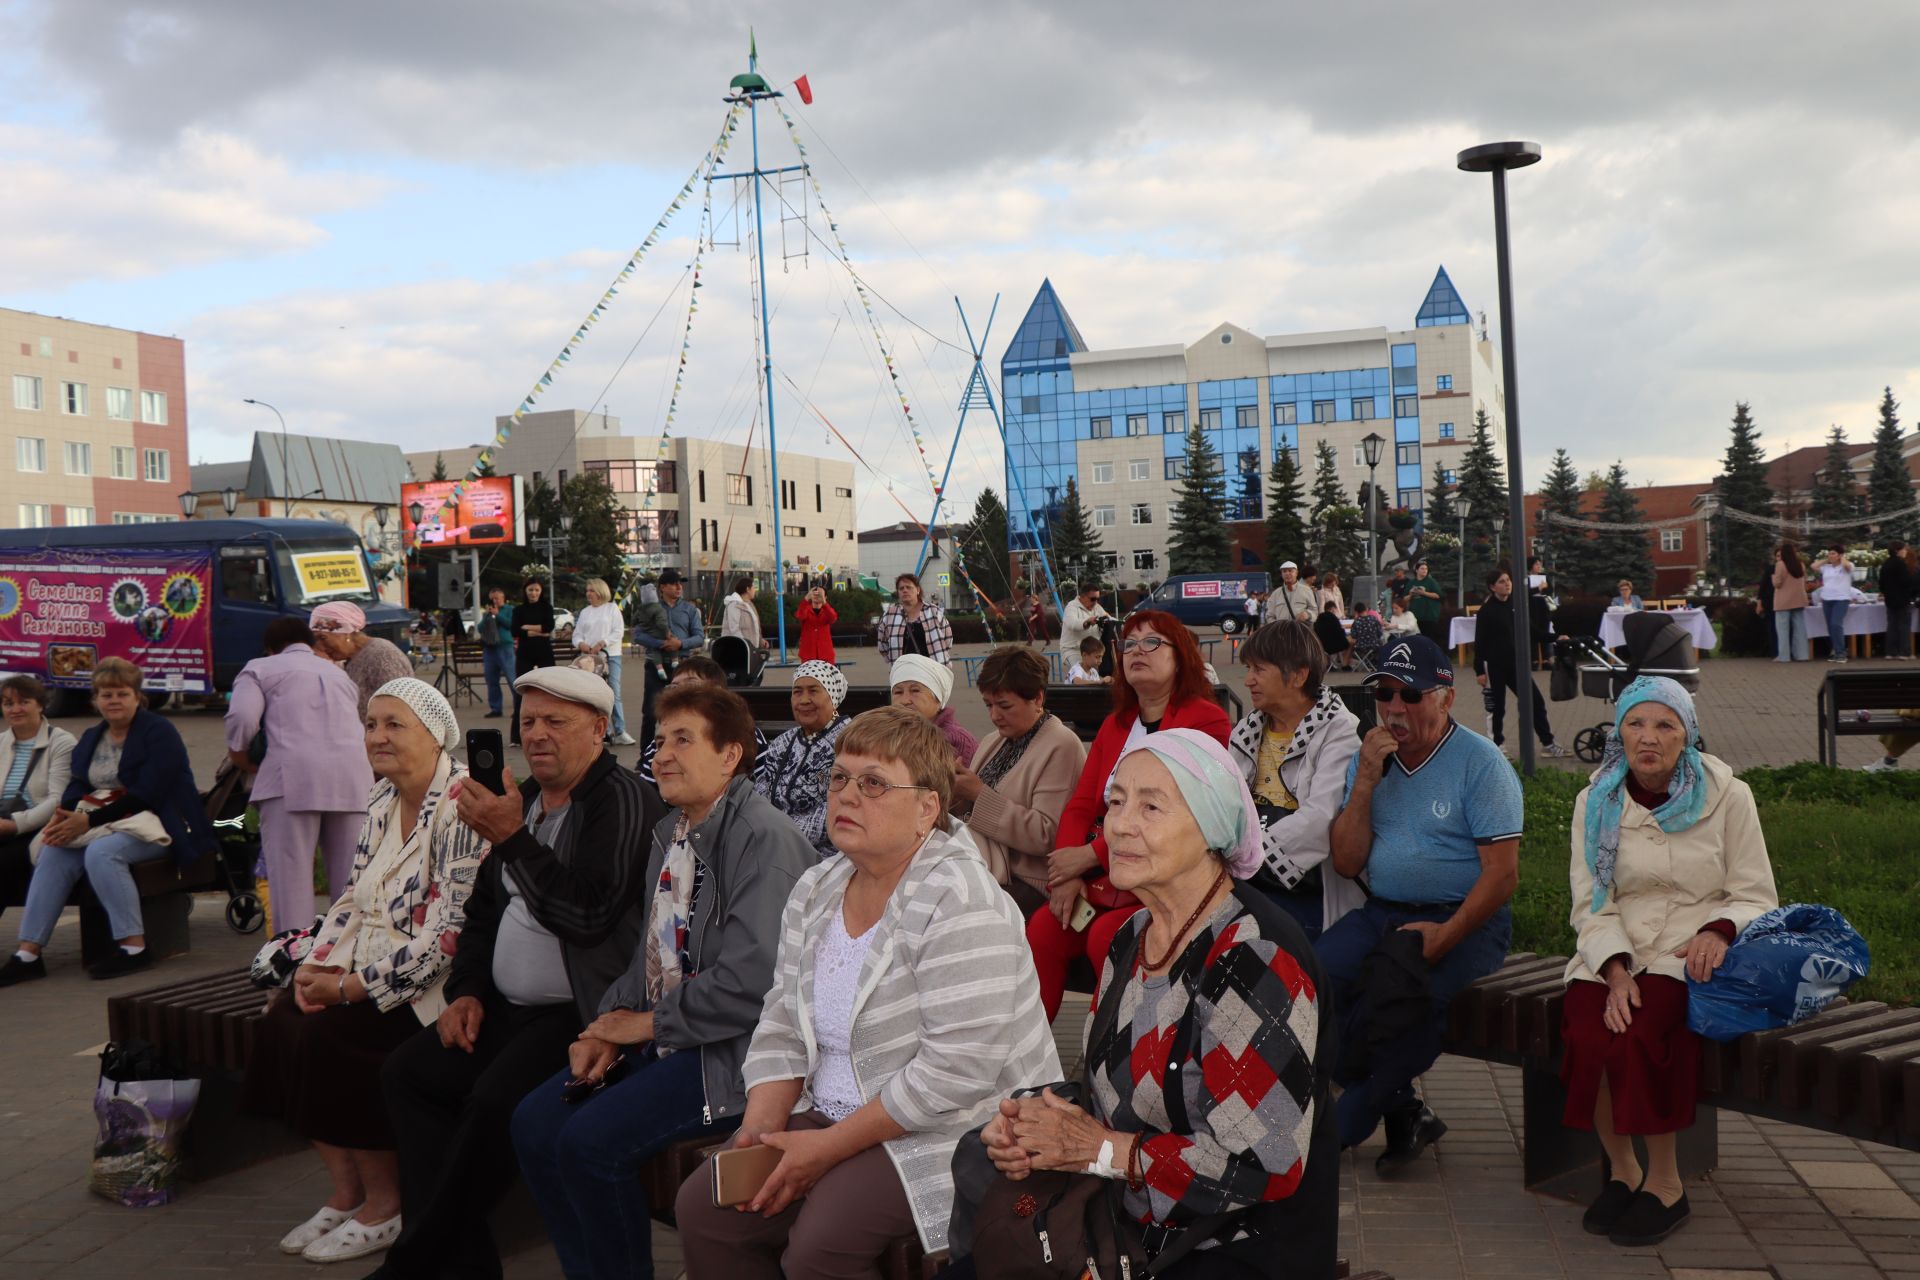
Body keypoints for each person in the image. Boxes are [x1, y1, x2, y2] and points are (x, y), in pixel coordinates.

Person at [673, 707, 1062, 1274]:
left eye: (874, 783)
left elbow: (958, 1072)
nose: (846, 796)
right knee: (707, 1205)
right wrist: (761, 1126)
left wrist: (826, 1149)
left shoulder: (961, 897)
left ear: (928, 808)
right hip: (833, 1109)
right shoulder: (817, 886)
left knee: (820, 1244)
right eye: (839, 778)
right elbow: (782, 1015)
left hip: (960, 1127)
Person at [972, 730, 1338, 1279]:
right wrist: (1035, 1127)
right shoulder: (1133, 935)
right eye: (1116, 801)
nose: (1119, 824)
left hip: (1231, 1248)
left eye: (1151, 806)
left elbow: (1262, 1165)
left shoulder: (1252, 958)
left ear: (1211, 826)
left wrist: (1100, 1151)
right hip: (1131, 1228)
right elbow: (1112, 1087)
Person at [368, 666, 666, 1280]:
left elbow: (587, 917)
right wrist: (467, 990)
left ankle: (416, 1262)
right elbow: (480, 914)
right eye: (527, 721)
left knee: (493, 1103)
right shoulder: (523, 799)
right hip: (503, 1004)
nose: (537, 736)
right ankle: (464, 1262)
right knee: (409, 1073)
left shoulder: (624, 801)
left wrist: (511, 840)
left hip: (581, 1012)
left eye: (556, 722)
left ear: (599, 730)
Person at [512, 683, 815, 1279]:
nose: (663, 755)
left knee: (589, 1144)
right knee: (535, 1122)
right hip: (674, 1036)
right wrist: (605, 1026)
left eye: (684, 739)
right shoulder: (674, 833)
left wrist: (643, 1025)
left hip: (737, 1056)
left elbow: (753, 986)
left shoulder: (763, 839)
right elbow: (648, 957)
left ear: (730, 756)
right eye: (659, 740)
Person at [244, 678, 488, 1264]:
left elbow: (448, 939)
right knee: (282, 1019)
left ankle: (385, 1204)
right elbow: (352, 897)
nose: (377, 737)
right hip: (360, 966)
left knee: (332, 1037)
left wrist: (349, 990)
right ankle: (346, 1190)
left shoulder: (461, 805)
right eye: (371, 724)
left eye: (394, 725)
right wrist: (316, 970)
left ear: (435, 736)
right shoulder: (381, 798)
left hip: (433, 993)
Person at [1561, 677, 1778, 1247]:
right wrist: (1612, 970)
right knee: (1588, 1034)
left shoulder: (1729, 794)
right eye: (1635, 724)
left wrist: (1719, 929)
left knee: (1639, 1035)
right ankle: (1623, 1170)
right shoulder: (1597, 799)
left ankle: (1665, 1184)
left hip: (1689, 949)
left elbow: (1756, 893)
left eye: (1665, 726)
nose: (1648, 738)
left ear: (1687, 735)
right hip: (1614, 944)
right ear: (1619, 732)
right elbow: (1591, 902)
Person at [1321, 635, 1520, 1170]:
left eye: (1411, 694)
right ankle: (1408, 1113)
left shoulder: (1480, 763)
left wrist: (1445, 936)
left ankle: (1342, 1128)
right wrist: (1364, 782)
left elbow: (1502, 877)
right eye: (1384, 693)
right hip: (1383, 911)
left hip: (1466, 915)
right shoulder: (1371, 760)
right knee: (1309, 975)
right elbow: (1345, 861)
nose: (1394, 708)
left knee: (1413, 998)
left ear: (1446, 698)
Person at [1026, 610, 1232, 1021]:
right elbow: (1083, 804)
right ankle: (1030, 1062)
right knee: (1045, 927)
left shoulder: (1205, 720)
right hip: (1106, 876)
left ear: (1181, 657)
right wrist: (1067, 873)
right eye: (1130, 644)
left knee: (1109, 935)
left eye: (1152, 642)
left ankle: (1106, 1058)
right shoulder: (1116, 724)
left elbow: (1183, 814)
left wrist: (1090, 857)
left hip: (1163, 876)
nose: (1137, 651)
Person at [2, 659, 213, 983]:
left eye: (121, 693)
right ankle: (29, 954)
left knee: (103, 852)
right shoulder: (92, 736)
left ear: (136, 697)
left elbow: (149, 793)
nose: (113, 700)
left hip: (160, 824)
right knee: (55, 848)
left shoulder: (159, 731)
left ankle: (133, 948)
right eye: (106, 694)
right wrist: (66, 816)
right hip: (104, 822)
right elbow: (78, 783)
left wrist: (88, 822)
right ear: (95, 700)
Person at [225, 615, 371, 932]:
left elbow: (242, 717)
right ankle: (346, 958)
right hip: (352, 781)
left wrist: (239, 753)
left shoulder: (260, 668)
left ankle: (293, 965)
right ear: (309, 642)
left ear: (270, 648)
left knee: (290, 881)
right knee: (351, 884)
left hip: (290, 781)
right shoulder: (338, 675)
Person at [1226, 620, 1364, 940]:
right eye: (1248, 668)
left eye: (1258, 669)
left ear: (1299, 675)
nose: (1247, 680)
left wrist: (1242, 854)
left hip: (1306, 891)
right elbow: (1221, 803)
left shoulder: (1340, 731)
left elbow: (1320, 818)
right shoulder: (1247, 731)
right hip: (1248, 881)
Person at [951, 646, 1087, 916]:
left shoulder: (1062, 745)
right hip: (982, 866)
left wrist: (978, 794)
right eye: (988, 705)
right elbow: (966, 813)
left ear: (1037, 698)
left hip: (1028, 880)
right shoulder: (993, 740)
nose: (994, 716)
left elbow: (1047, 835)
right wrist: (951, 790)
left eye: (1004, 705)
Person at [0, 676, 75, 957]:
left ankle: (30, 953)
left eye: (24, 702)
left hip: (38, 827)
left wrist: (14, 825)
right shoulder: (1, 742)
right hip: (3, 823)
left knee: (4, 863)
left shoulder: (62, 742)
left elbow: (58, 798)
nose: (15, 709)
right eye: (8, 703)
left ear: (40, 705)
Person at [755, 661, 853, 858]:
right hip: (772, 844)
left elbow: (837, 808)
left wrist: (781, 836)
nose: (804, 700)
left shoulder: (850, 743)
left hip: (826, 854)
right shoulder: (782, 743)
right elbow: (761, 794)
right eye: (797, 692)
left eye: (813, 691)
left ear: (832, 697)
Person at [1474, 568, 1571, 757]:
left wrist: (1556, 637)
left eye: (1508, 580)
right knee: (1497, 707)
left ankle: (1548, 743)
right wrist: (1479, 670)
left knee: (1535, 701)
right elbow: (1480, 642)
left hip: (1517, 665)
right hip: (1495, 666)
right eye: (1502, 582)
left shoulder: (1516, 605)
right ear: (1492, 587)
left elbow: (1533, 631)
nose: (1507, 584)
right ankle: (1497, 745)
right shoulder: (1487, 611)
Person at [637, 656, 771, 787]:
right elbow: (646, 797)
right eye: (674, 687)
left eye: (691, 685)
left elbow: (764, 786)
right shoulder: (658, 746)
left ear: (718, 694)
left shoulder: (745, 736)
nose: (680, 693)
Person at [311, 601, 415, 721]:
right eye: (315, 639)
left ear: (346, 633)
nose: (320, 646)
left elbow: (399, 706)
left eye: (323, 638)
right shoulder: (348, 660)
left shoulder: (381, 655)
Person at [573, 578, 635, 745]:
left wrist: (602, 643)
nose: (589, 594)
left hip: (610, 655)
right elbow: (577, 634)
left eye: (591, 591)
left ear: (600, 592)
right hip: (589, 658)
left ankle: (620, 730)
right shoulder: (585, 612)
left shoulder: (612, 609)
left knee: (613, 690)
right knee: (594, 694)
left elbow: (618, 631)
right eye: (587, 591)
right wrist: (581, 644)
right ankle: (603, 731)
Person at [890, 654, 977, 765]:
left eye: (915, 690)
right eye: (898, 692)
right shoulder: (886, 735)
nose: (905, 700)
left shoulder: (958, 741)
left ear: (938, 699)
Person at [511, 578, 558, 745]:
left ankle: (554, 728)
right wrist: (537, 630)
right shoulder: (519, 610)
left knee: (551, 689)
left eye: (536, 590)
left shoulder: (547, 608)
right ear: (525, 591)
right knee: (521, 691)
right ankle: (516, 736)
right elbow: (515, 630)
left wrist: (527, 628)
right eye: (530, 590)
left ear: (541, 591)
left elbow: (549, 627)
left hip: (544, 651)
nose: (533, 593)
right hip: (524, 653)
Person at [877, 572, 953, 664]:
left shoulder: (933, 611)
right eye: (901, 588)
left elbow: (948, 639)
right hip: (903, 671)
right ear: (898, 592)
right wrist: (893, 663)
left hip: (932, 670)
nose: (905, 590)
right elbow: (882, 644)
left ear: (918, 590)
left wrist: (939, 655)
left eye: (908, 587)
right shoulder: (889, 615)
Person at [476, 587, 517, 718]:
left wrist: (498, 615)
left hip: (505, 647)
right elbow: (480, 628)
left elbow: (511, 625)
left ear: (503, 598)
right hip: (489, 649)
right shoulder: (488, 613)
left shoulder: (509, 610)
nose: (494, 601)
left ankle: (518, 708)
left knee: (512, 679)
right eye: (492, 599)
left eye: (497, 598)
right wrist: (489, 615)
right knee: (491, 680)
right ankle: (496, 708)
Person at [1815, 545, 1857, 662]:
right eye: (1829, 553)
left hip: (1841, 599)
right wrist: (1826, 560)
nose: (1830, 555)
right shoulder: (1826, 567)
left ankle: (1841, 653)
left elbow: (1848, 567)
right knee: (1830, 626)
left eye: (1833, 553)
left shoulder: (1846, 566)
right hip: (1826, 599)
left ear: (1839, 555)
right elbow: (1813, 566)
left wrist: (1842, 558)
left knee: (1836, 624)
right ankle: (1836, 650)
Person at [1771, 541, 1811, 662]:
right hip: (1799, 600)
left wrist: (1773, 577)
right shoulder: (1801, 565)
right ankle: (1802, 654)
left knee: (1782, 630)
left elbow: (1777, 584)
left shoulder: (1780, 565)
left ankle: (1784, 656)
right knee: (1800, 629)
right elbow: (1804, 581)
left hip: (1783, 602)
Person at [1057, 579, 1113, 659]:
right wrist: (1087, 622)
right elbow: (1072, 624)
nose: (1096, 602)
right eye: (1093, 599)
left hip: (1092, 650)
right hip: (1073, 650)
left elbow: (1109, 619)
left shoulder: (1097, 607)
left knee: (1100, 670)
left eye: (1098, 599)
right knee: (1080, 670)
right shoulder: (1071, 607)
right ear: (1082, 596)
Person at [1882, 540, 1918, 660]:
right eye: (1904, 549)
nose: (1905, 551)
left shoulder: (1886, 563)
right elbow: (1906, 581)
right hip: (1902, 599)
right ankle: (1904, 652)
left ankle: (1890, 652)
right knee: (1904, 625)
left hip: (1889, 599)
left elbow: (1881, 583)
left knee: (1891, 625)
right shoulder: (1900, 564)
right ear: (1898, 550)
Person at [723, 576, 770, 652]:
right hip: (738, 650)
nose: (755, 590)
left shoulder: (750, 605)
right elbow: (734, 630)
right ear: (748, 589)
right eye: (754, 588)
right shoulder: (734, 605)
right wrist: (745, 646)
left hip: (751, 650)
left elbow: (755, 628)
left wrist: (760, 641)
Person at [1265, 561, 1317, 627]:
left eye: (1290, 571)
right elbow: (1269, 616)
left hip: (1301, 632)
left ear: (1296, 573)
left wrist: (1308, 615)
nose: (1287, 573)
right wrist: (1277, 626)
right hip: (1281, 634)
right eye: (1284, 571)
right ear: (1281, 574)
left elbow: (1315, 611)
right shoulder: (1275, 594)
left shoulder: (1307, 590)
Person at [796, 584, 838, 663]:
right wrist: (806, 598)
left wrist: (824, 602)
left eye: (819, 594)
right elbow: (800, 615)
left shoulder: (827, 610)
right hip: (808, 655)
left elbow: (833, 618)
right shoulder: (806, 609)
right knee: (808, 675)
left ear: (825, 597)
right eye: (814, 594)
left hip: (826, 655)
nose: (816, 596)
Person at [1406, 560, 1445, 644]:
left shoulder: (1431, 582)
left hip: (1429, 616)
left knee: (1428, 639)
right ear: (1416, 570)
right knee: (1416, 640)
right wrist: (1411, 594)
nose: (1424, 570)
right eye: (1422, 568)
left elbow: (1438, 595)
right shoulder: (1411, 583)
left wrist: (1423, 593)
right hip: (1415, 617)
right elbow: (1404, 599)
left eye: (1426, 569)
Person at [1526, 556, 1554, 667]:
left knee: (1544, 630)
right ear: (1531, 565)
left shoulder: (1544, 577)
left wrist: (1545, 588)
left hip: (1543, 606)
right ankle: (1534, 659)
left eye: (1540, 564)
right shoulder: (1526, 578)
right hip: (1532, 607)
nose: (1539, 566)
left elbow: (1550, 591)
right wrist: (1538, 588)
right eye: (1536, 564)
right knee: (1533, 631)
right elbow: (1526, 593)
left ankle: (1546, 659)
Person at [1314, 598, 1352, 672]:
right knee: (1349, 643)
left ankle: (1328, 664)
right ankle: (1345, 664)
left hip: (1322, 646)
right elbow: (1340, 633)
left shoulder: (1318, 620)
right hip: (1335, 646)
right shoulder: (1334, 619)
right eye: (1335, 609)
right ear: (1332, 609)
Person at [1349, 598, 1386, 668]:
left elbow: (1353, 636)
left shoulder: (1356, 622)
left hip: (1360, 647)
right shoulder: (1374, 619)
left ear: (1356, 612)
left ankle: (1368, 663)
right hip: (1375, 646)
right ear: (1366, 609)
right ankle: (1374, 663)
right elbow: (1380, 633)